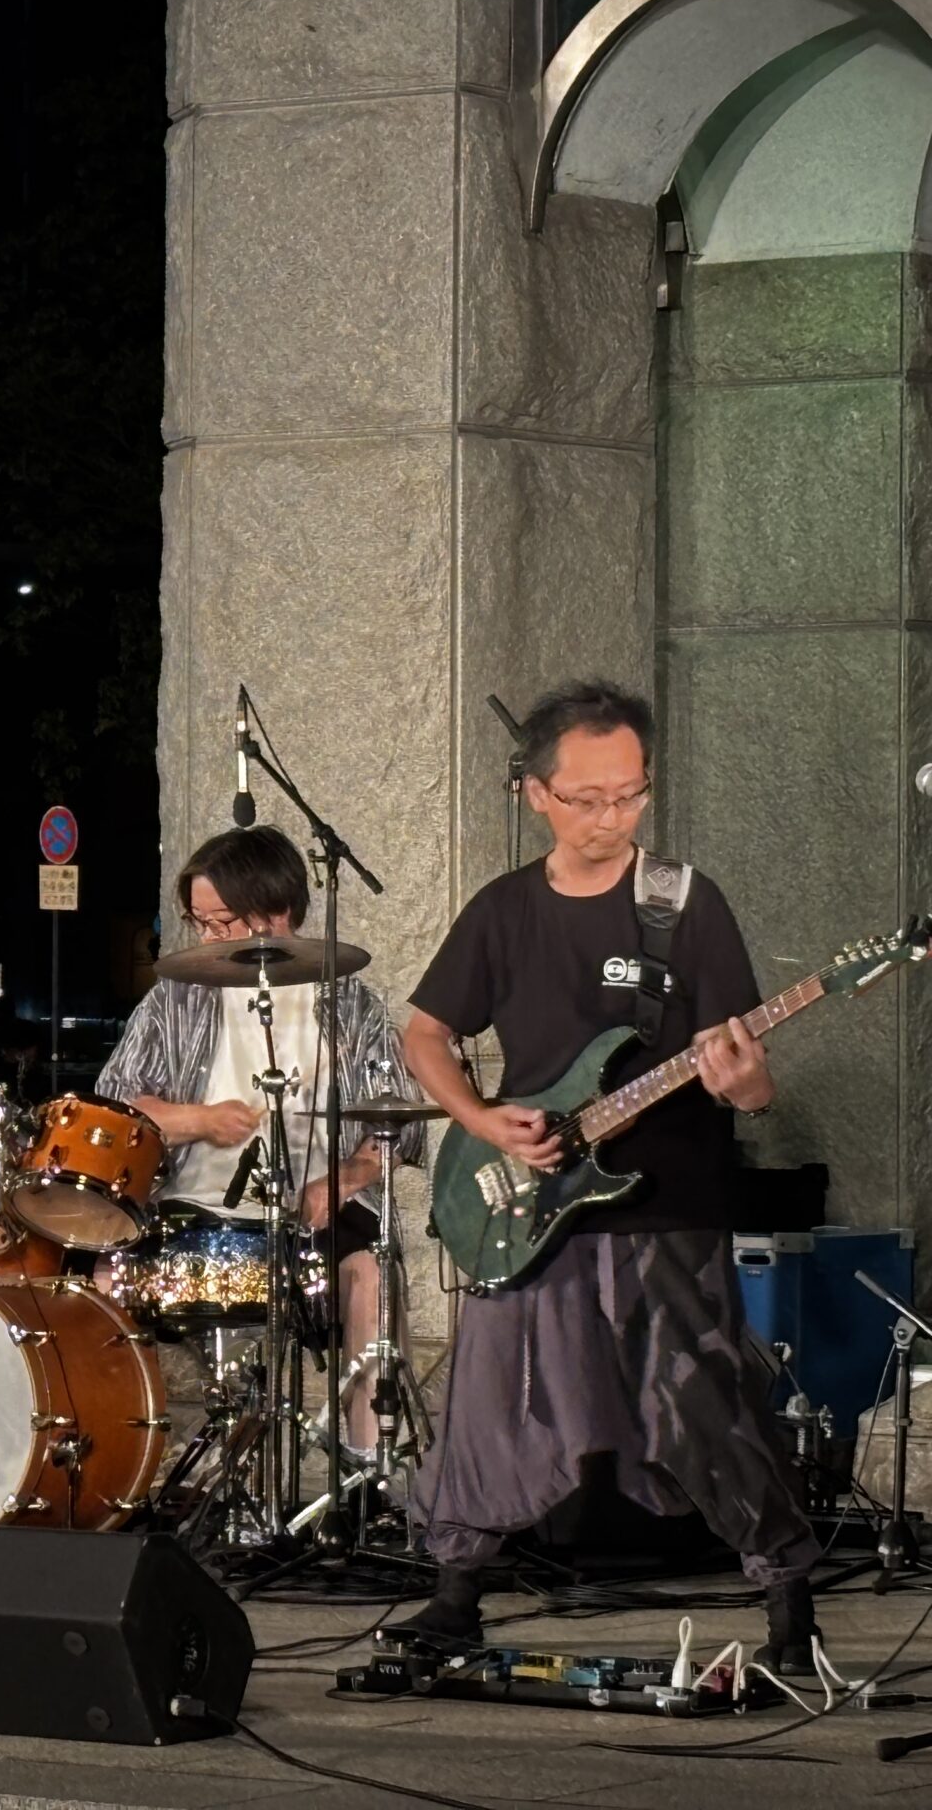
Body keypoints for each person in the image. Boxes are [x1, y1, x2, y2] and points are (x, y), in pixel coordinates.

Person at [399, 681, 816, 1670]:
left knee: (705, 1406)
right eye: (586, 798)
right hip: (530, 1200)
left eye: (630, 795)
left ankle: (790, 1606)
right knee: (493, 1400)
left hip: (666, 1205)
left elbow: (746, 1074)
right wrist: (481, 1120)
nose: (611, 817)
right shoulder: (502, 911)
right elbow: (424, 1032)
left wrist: (749, 1086)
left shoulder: (684, 903)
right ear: (533, 793)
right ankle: (455, 1594)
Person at [95, 824, 424, 1452]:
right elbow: (119, 1109)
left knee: (373, 1277)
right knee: (106, 1281)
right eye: (198, 922)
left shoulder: (352, 1004)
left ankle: (371, 1474)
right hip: (192, 1209)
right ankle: (119, 1466)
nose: (207, 938)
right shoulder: (175, 999)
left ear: (278, 913)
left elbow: (396, 1127)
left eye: (222, 922)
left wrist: (347, 1178)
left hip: (315, 1211)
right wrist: (199, 1120)